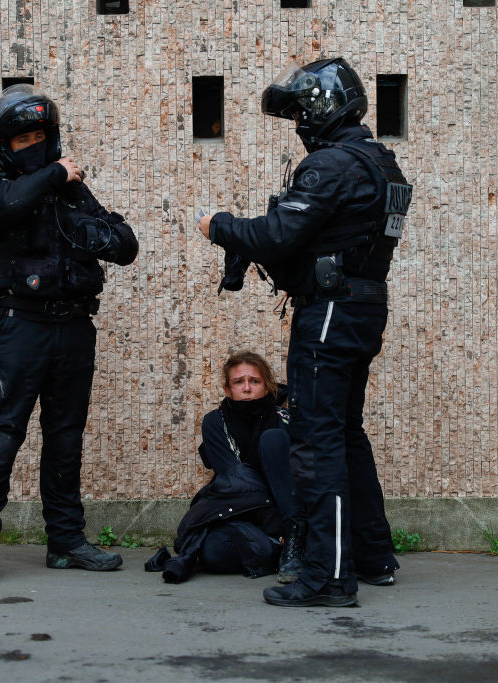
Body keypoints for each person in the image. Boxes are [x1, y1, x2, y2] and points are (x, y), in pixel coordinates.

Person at [197, 58, 412, 607]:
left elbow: (278, 233)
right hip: (363, 307)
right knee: (346, 436)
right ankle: (373, 556)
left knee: (317, 444)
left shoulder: (330, 166)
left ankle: (327, 577)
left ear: (323, 106)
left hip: (331, 313)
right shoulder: (380, 162)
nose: (298, 124)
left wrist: (220, 226)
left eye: (300, 111)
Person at [0, 84, 139, 588]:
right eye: (22, 140)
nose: (33, 145)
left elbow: (124, 246)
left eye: (40, 135)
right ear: (3, 148)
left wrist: (76, 200)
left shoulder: (72, 192)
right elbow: (7, 207)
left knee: (65, 439)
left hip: (74, 328)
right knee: (0, 437)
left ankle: (66, 542)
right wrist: (56, 173)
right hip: (20, 328)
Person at [152, 352, 305, 584]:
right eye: (238, 382)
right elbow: (236, 480)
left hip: (284, 513)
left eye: (254, 381)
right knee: (213, 553)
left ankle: (291, 542)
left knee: (272, 440)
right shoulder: (216, 421)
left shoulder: (283, 419)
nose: (247, 388)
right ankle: (279, 550)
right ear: (227, 389)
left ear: (266, 387)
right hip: (237, 510)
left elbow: (298, 477)